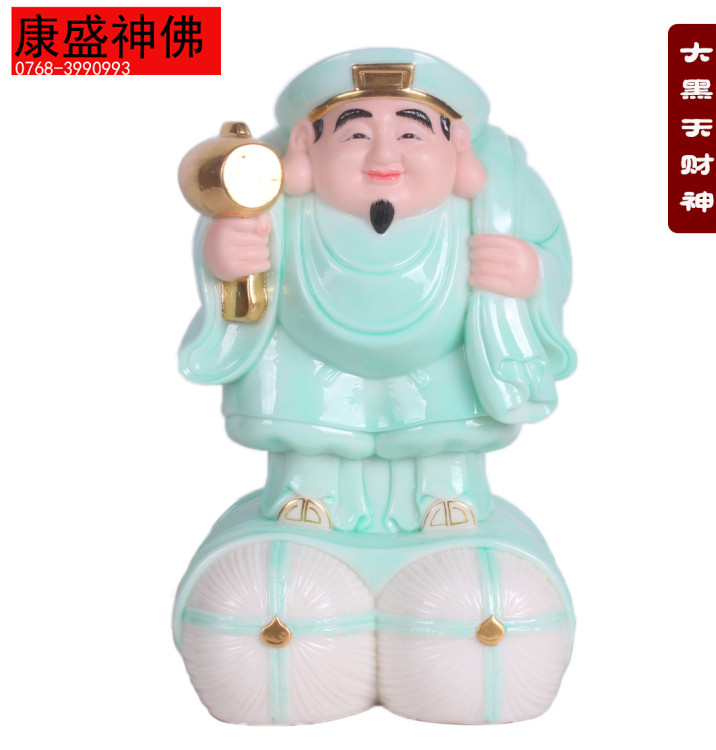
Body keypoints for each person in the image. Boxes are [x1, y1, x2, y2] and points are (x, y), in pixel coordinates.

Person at [179, 48, 575, 533]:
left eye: (410, 134)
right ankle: (308, 492)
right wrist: (227, 259)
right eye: (357, 135)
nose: (384, 156)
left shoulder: (504, 196)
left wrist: (531, 273)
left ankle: (447, 491)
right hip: (310, 355)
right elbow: (232, 268)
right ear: (305, 143)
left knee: (447, 425)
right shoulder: (273, 198)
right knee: (308, 429)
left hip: (442, 358)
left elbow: (552, 253)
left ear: (457, 142)